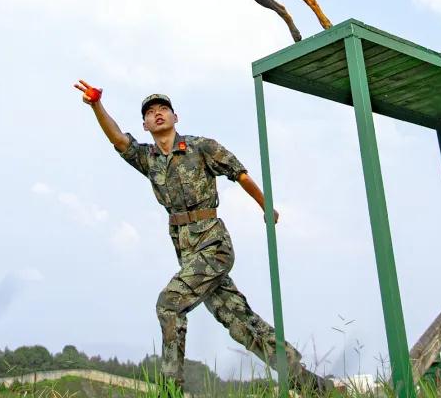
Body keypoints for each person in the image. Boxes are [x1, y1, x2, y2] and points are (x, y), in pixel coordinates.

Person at [73, 80, 333, 395]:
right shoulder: (148, 158)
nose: (157, 114)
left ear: (175, 117)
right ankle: (312, 385)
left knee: (169, 304)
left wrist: (266, 206)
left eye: (163, 109)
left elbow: (239, 173)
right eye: (151, 112)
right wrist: (97, 105)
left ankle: (170, 389)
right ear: (144, 124)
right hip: (187, 251)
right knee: (240, 324)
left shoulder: (201, 147)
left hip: (214, 245)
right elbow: (117, 139)